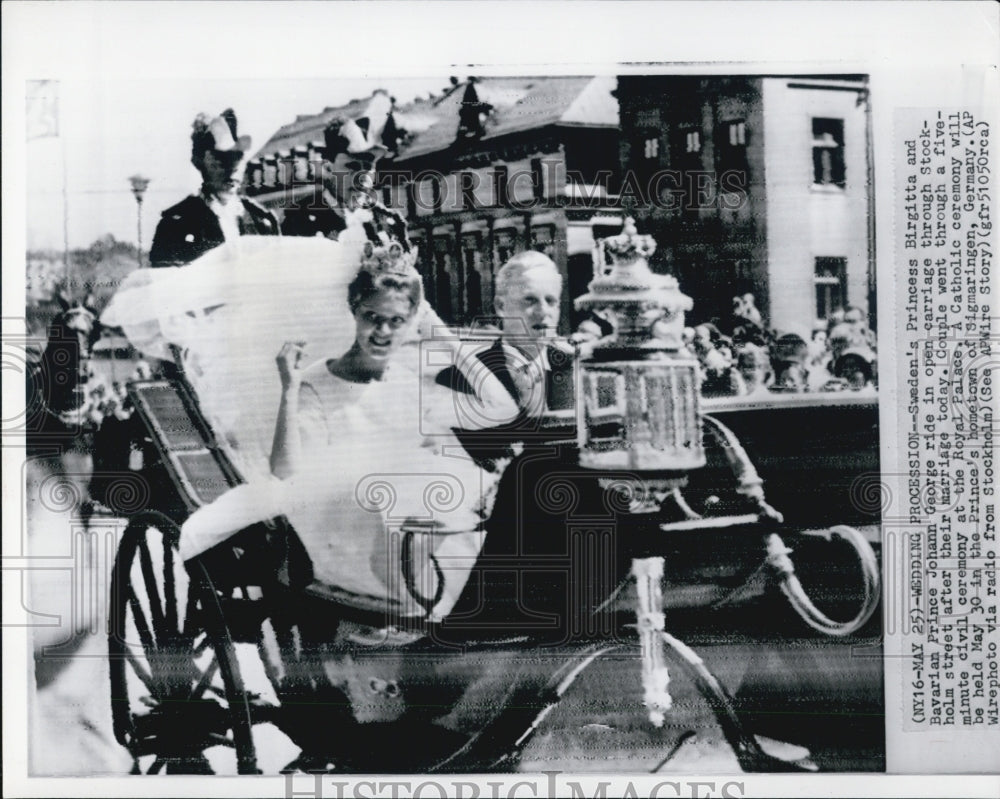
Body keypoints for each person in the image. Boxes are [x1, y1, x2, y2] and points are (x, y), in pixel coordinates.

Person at [149, 109, 278, 268]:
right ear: (199, 160)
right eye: (220, 158)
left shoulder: (262, 221)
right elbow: (165, 286)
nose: (232, 167)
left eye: (239, 157)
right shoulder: (177, 224)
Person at [281, 91, 408, 248]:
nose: (361, 176)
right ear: (329, 167)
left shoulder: (388, 221)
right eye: (352, 166)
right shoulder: (300, 217)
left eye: (368, 167)